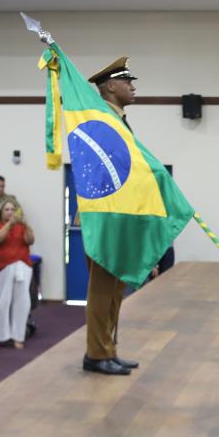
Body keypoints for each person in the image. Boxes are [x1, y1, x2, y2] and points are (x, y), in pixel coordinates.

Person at [80, 56, 142, 376]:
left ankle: (109, 349)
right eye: (127, 81)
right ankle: (95, 353)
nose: (132, 87)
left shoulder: (120, 119)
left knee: (116, 290)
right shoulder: (103, 120)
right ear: (110, 86)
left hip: (118, 216)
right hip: (103, 216)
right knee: (102, 291)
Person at [0, 201, 34, 350]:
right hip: (2, 268)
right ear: (1, 212)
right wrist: (9, 225)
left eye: (12, 209)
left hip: (22, 266)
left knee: (22, 303)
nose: (10, 212)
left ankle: (17, 336)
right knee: (1, 303)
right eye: (7, 209)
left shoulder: (22, 227)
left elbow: (30, 240)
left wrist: (26, 224)